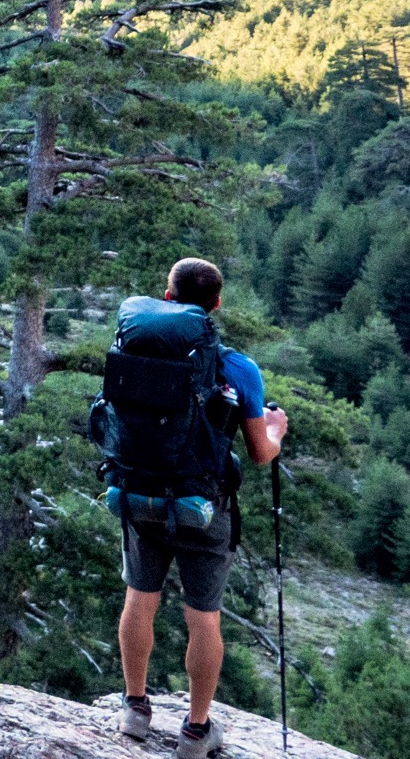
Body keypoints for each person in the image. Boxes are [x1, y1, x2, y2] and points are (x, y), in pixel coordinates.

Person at [115, 257, 287, 757]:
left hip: (139, 494)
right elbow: (260, 453)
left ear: (167, 298)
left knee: (139, 597)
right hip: (203, 508)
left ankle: (134, 710)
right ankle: (195, 732)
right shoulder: (238, 368)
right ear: (217, 304)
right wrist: (276, 429)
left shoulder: (132, 349)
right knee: (203, 616)